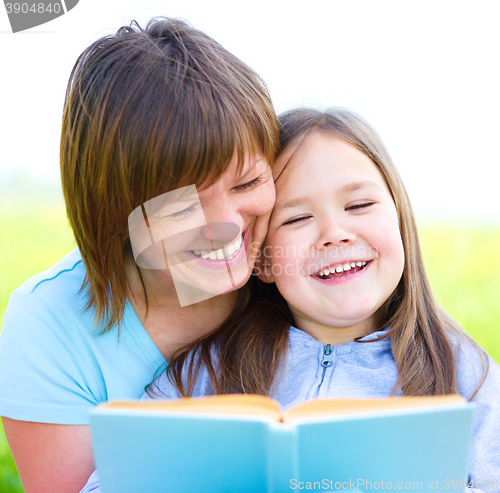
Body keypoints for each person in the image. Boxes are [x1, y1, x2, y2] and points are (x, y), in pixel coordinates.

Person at [84, 107, 500, 492]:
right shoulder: (206, 372)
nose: (335, 232)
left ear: (401, 221)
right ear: (261, 258)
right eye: (298, 218)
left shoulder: (466, 373)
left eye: (359, 204)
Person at [0, 17, 279, 493]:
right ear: (114, 211)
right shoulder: (49, 326)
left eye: (248, 182)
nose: (228, 224)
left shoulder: (298, 270)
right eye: (182, 205)